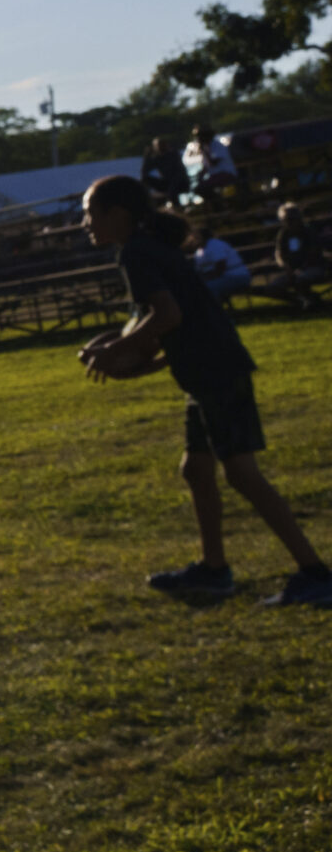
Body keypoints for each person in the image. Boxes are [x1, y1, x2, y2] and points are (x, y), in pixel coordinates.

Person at [78, 175, 327, 605]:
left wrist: (114, 350)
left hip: (216, 372)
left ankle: (315, 573)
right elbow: (178, 322)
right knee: (196, 469)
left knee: (242, 475)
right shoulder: (148, 248)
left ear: (118, 215)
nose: (85, 223)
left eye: (90, 213)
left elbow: (168, 315)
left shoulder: (135, 252)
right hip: (207, 371)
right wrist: (138, 362)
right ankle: (214, 570)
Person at [261, 201, 324, 309]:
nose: (289, 222)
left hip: (312, 267)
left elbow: (314, 253)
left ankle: (309, 301)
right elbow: (279, 254)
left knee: (302, 279)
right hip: (292, 270)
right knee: (272, 288)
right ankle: (300, 301)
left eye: (291, 219)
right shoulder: (283, 234)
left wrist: (301, 268)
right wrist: (287, 268)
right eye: (286, 220)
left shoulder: (308, 231)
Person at [187, 222, 252, 300]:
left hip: (236, 276)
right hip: (224, 277)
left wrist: (205, 278)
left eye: (195, 236)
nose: (193, 239)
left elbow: (221, 267)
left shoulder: (214, 244)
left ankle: (214, 310)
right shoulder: (200, 250)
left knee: (206, 288)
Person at [186, 122, 239, 201]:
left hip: (226, 174)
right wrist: (199, 176)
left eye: (200, 136)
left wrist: (204, 150)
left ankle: (220, 204)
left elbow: (214, 163)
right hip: (215, 176)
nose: (198, 139)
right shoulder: (206, 147)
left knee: (204, 188)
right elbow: (206, 167)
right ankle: (216, 204)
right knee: (197, 188)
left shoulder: (217, 145)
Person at [139, 134, 189, 205]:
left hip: (180, 183)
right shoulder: (157, 158)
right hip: (167, 183)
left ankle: (176, 206)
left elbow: (179, 174)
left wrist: (171, 188)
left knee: (173, 188)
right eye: (158, 145)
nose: (160, 147)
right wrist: (147, 157)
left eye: (162, 144)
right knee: (145, 179)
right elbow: (144, 172)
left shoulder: (173, 155)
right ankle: (144, 200)